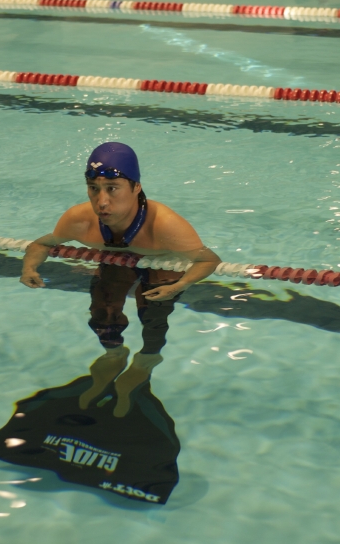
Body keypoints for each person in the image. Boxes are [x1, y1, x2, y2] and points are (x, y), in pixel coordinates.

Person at [20, 142, 221, 416]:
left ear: (136, 187)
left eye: (113, 188)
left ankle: (146, 359)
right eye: (94, 188)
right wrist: (29, 268)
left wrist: (180, 285)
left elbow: (208, 260)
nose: (101, 201)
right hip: (115, 258)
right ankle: (114, 354)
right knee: (102, 307)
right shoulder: (79, 219)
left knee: (154, 313)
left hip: (162, 263)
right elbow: (41, 244)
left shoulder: (165, 225)